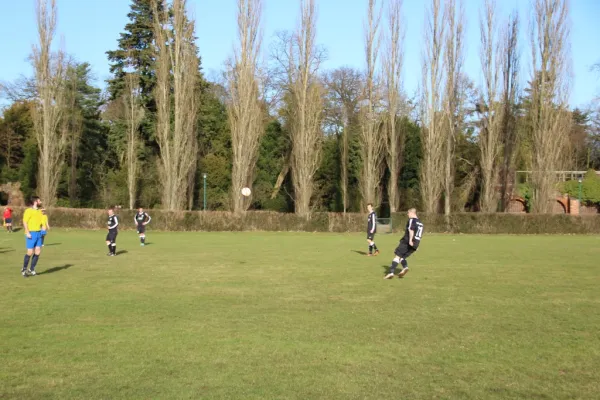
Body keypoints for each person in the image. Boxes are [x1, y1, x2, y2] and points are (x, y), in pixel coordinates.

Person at [384, 208, 424, 279]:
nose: (407, 214)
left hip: (407, 241)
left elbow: (411, 230)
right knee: (402, 257)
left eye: (408, 213)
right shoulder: (420, 223)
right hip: (416, 243)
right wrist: (416, 245)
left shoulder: (412, 220)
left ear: (412, 213)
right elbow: (419, 235)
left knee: (397, 256)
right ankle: (405, 268)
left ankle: (391, 272)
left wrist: (410, 240)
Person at [22, 196, 44, 277]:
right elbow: (25, 222)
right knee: (30, 252)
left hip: (39, 233)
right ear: (35, 202)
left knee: (38, 251)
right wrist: (27, 232)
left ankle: (31, 269)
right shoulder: (28, 211)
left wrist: (43, 228)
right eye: (39, 200)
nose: (40, 202)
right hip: (31, 233)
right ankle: (24, 269)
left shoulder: (40, 211)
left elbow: (41, 221)